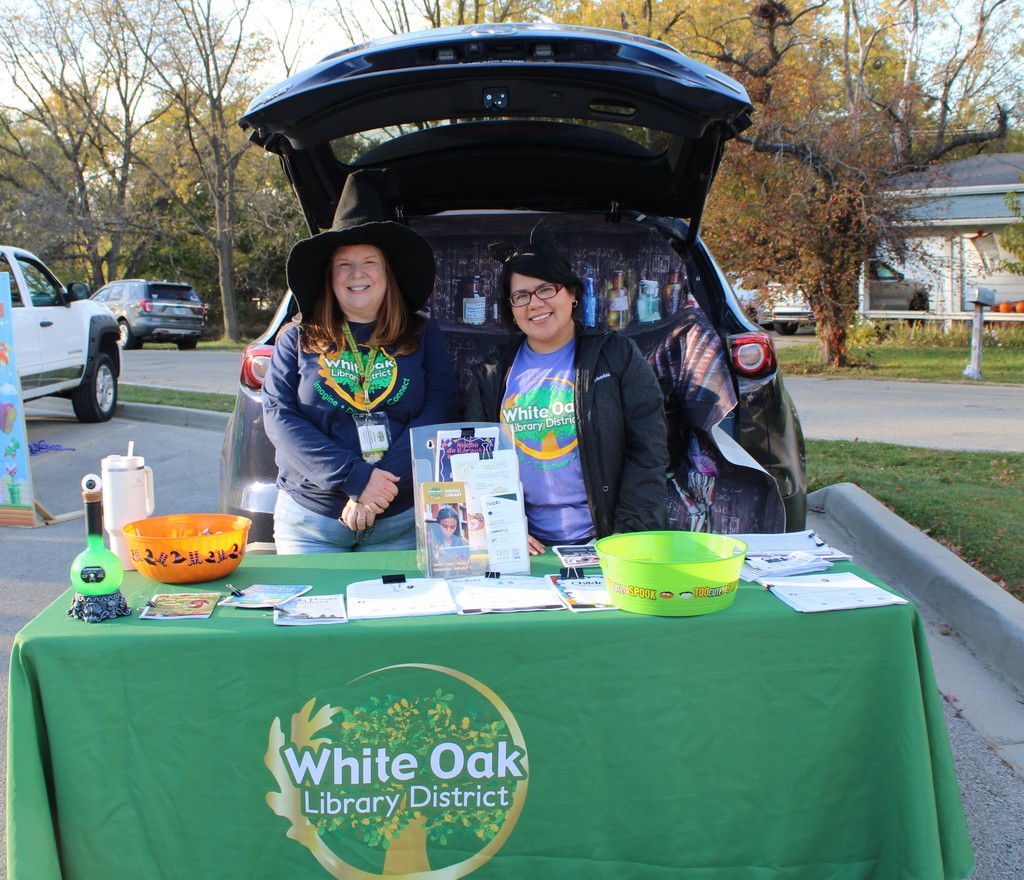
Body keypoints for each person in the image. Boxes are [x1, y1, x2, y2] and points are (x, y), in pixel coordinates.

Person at [263, 169, 458, 553]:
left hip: (399, 522)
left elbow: (438, 411)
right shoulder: (296, 338)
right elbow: (279, 417)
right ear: (329, 276)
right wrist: (355, 479)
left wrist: (378, 485)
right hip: (311, 524)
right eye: (343, 264)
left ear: (387, 273)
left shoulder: (422, 334)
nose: (357, 274)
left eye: (369, 261)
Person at [463, 223, 668, 555]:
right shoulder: (491, 374)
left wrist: (627, 537)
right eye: (521, 296)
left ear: (572, 294)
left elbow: (649, 450)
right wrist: (502, 527)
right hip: (525, 547)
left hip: (606, 539)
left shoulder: (616, 355)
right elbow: (476, 462)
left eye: (546, 289)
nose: (534, 304)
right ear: (511, 310)